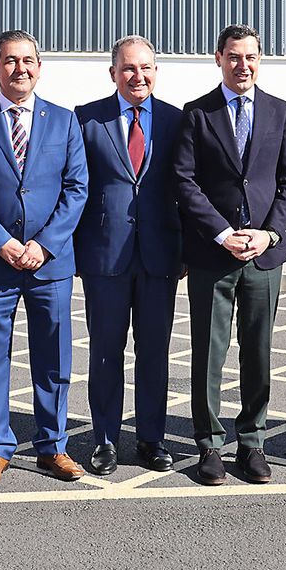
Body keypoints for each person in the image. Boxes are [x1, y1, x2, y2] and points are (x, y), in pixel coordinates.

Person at [0, 30, 88, 487]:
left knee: (53, 357)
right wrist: (2, 242)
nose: (20, 69)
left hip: (50, 263)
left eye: (28, 61)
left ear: (40, 67)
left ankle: (54, 445)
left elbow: (76, 188)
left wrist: (44, 245)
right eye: (10, 61)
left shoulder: (65, 122)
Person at [172, 24, 286, 486]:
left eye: (250, 56)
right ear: (219, 58)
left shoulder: (280, 112)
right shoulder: (197, 113)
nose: (242, 64)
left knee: (259, 353)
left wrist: (269, 235)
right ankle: (208, 444)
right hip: (214, 255)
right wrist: (223, 233)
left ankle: (252, 443)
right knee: (209, 354)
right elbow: (184, 182)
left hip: (264, 256)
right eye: (233, 56)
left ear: (259, 59)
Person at [73, 35, 184, 475]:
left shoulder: (177, 120)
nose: (139, 76)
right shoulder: (87, 120)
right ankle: (104, 439)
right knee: (105, 351)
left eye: (147, 68)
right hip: (105, 257)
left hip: (161, 255)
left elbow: (187, 187)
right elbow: (76, 187)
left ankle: (151, 438)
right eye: (129, 69)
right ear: (113, 73)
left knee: (154, 350)